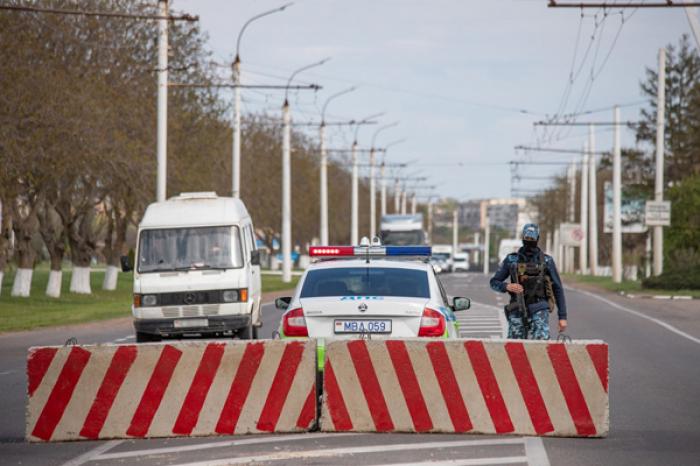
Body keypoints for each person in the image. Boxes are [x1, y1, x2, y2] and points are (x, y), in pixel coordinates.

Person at [489, 223, 567, 340]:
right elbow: (494, 282)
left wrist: (562, 317)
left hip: (539, 307)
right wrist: (507, 286)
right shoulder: (512, 260)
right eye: (527, 238)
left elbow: (558, 289)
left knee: (542, 345)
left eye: (532, 239)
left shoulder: (546, 261)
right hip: (517, 307)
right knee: (515, 348)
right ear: (522, 238)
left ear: (537, 239)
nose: (529, 241)